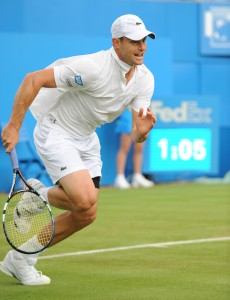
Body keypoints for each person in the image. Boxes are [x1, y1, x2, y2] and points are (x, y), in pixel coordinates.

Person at [0, 14, 156, 285]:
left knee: (87, 214)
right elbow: (32, 79)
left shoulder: (145, 79)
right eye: (133, 41)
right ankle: (37, 193)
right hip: (56, 131)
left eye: (143, 40)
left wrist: (140, 135)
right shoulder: (93, 67)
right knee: (84, 199)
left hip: (86, 138)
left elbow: (135, 132)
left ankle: (21, 258)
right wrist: (14, 126)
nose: (141, 46)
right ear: (116, 43)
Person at [114, 109, 154, 188]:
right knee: (124, 149)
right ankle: (120, 177)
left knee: (139, 149)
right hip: (128, 114)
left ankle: (137, 175)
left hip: (141, 114)